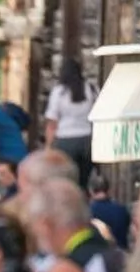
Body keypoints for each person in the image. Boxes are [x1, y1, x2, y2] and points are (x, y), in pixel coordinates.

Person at [43, 58, 97, 188]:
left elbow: (52, 124)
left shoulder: (59, 92)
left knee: (66, 180)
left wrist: (48, 147)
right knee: (83, 182)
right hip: (87, 140)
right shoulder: (91, 89)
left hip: (64, 141)